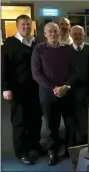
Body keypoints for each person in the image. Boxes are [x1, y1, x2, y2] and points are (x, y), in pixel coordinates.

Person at [31, 22, 77, 166]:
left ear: (60, 33)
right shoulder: (38, 50)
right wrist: (53, 88)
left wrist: (66, 86)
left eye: (55, 31)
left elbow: (74, 71)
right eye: (49, 32)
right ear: (45, 34)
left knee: (70, 124)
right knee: (51, 126)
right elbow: (36, 74)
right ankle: (53, 152)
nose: (53, 34)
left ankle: (70, 150)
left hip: (67, 93)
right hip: (48, 95)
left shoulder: (68, 49)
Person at [1, 15, 44, 165]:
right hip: (17, 90)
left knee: (35, 119)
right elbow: (3, 67)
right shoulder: (9, 44)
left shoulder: (36, 43)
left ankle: (34, 144)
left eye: (28, 24)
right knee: (19, 121)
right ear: (17, 26)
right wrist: (5, 88)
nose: (26, 27)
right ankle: (21, 151)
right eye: (23, 24)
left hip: (36, 89)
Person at [70, 25, 89, 144]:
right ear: (71, 35)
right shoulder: (66, 50)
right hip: (73, 90)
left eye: (80, 34)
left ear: (84, 35)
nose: (78, 36)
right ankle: (78, 142)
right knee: (76, 117)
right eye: (75, 34)